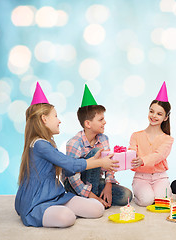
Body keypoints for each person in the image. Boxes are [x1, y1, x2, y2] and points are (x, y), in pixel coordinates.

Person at [15, 82, 118, 227]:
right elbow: (69, 163)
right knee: (67, 218)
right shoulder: (39, 145)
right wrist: (99, 162)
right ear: (44, 119)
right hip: (37, 202)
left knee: (97, 209)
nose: (59, 120)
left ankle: (57, 210)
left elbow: (67, 168)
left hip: (56, 196)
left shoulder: (47, 143)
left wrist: (93, 161)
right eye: (55, 116)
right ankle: (53, 212)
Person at [63, 84, 132, 208]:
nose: (105, 122)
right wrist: (92, 196)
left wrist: (108, 185)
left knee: (126, 195)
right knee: (96, 152)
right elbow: (72, 177)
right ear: (88, 123)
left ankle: (91, 198)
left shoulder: (104, 139)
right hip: (75, 184)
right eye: (101, 120)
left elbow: (110, 164)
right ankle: (89, 198)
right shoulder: (74, 143)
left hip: (96, 180)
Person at [129, 82, 174, 206]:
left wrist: (142, 160)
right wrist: (126, 157)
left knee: (162, 202)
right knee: (146, 201)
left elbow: (159, 155)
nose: (154, 116)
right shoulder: (136, 135)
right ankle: (140, 195)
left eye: (159, 114)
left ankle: (162, 193)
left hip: (160, 177)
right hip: (141, 177)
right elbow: (132, 152)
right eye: (151, 111)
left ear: (165, 118)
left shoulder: (168, 139)